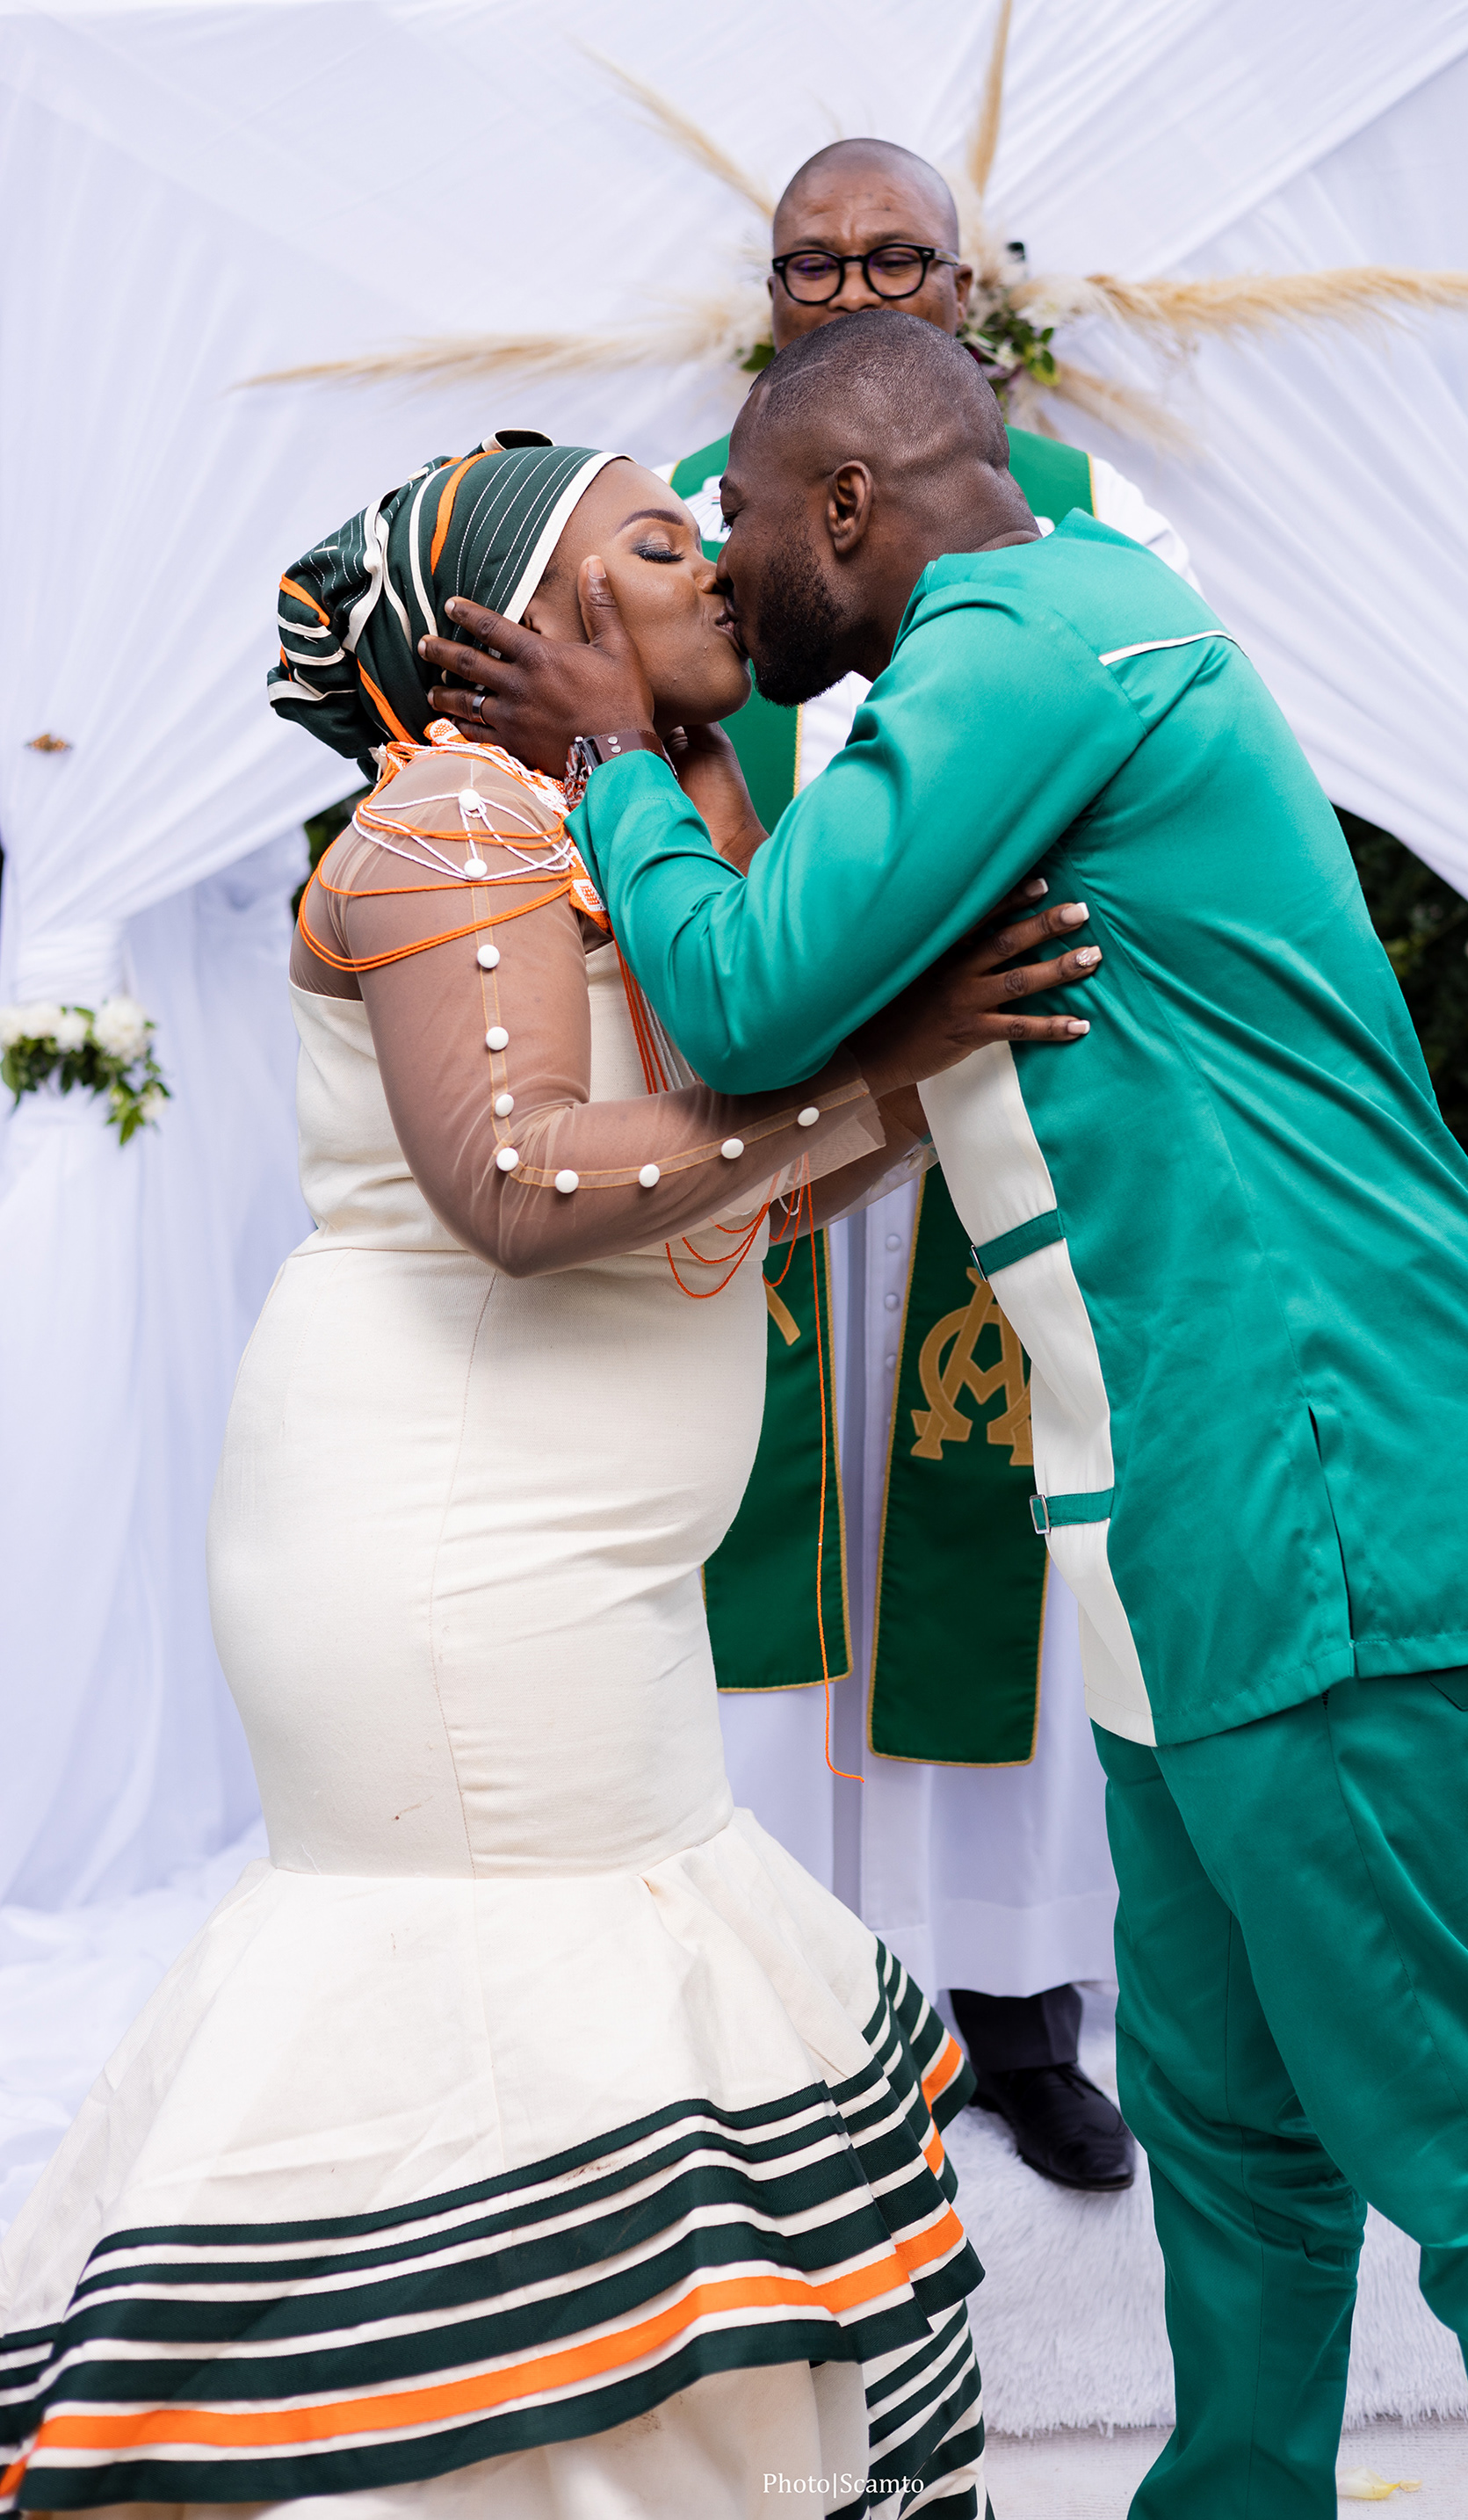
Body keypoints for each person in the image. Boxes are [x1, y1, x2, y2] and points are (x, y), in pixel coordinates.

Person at [417, 327, 1468, 2517]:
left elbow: (741, 998)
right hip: (1179, 1505)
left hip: (1319, 1467)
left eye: (737, 518)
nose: (722, 562)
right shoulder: (1027, 651)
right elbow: (825, 1020)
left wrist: (618, 754)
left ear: (846, 507)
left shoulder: (1022, 639)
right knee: (1231, 2119)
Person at [0, 432, 1099, 2518]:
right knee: (497, 2022)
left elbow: (742, 1198)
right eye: (662, 541)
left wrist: (932, 1063)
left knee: (598, 2024)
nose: (719, 569)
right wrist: (876, 1068)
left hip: (572, 1567)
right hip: (441, 1557)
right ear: (524, 623)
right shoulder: (451, 819)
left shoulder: (623, 823)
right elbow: (516, 1186)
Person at [668, 136, 1170, 2194]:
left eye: (897, 257)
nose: (857, 286)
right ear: (769, 290)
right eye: (817, 262)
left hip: (989, 1120)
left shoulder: (1088, 520)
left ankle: (1016, 2005)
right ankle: (792, 2007)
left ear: (967, 289)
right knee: (771, 1548)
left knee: (1004, 1547)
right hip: (786, 1130)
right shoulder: (694, 519)